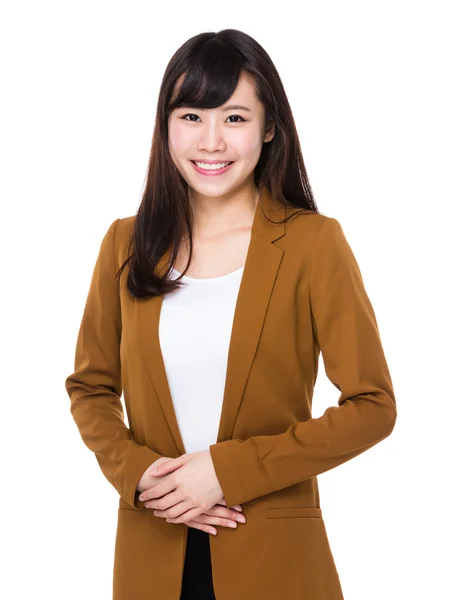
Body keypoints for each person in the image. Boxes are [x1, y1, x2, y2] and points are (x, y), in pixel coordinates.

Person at [65, 28, 397, 600]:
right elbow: (91, 387)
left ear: (269, 128)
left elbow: (373, 407)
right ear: (165, 125)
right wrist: (136, 474)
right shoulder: (125, 244)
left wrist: (228, 471)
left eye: (235, 118)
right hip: (152, 552)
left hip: (276, 561)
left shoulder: (314, 245)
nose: (211, 141)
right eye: (191, 116)